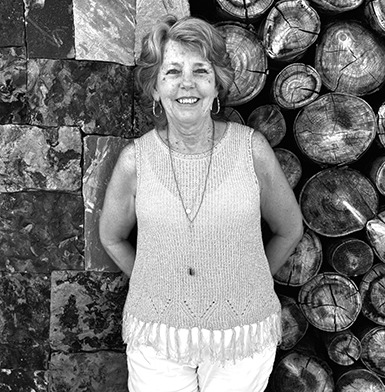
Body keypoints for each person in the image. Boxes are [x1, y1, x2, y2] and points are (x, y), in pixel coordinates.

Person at [99, 14, 303, 392]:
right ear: (155, 89)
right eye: (172, 71)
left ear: (216, 86)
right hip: (158, 339)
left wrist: (248, 283)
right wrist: (157, 288)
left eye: (200, 71)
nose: (186, 84)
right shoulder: (136, 160)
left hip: (241, 340)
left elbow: (289, 229)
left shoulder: (250, 149)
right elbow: (111, 237)